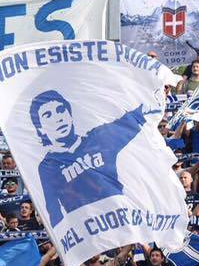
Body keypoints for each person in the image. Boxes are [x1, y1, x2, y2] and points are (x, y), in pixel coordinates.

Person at [29, 89, 145, 227]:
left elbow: (133, 120)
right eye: (48, 115)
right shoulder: (47, 166)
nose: (58, 118)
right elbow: (54, 212)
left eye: (61, 110)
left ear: (70, 114)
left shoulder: (98, 138)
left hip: (121, 221)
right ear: (40, 128)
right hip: (88, 233)